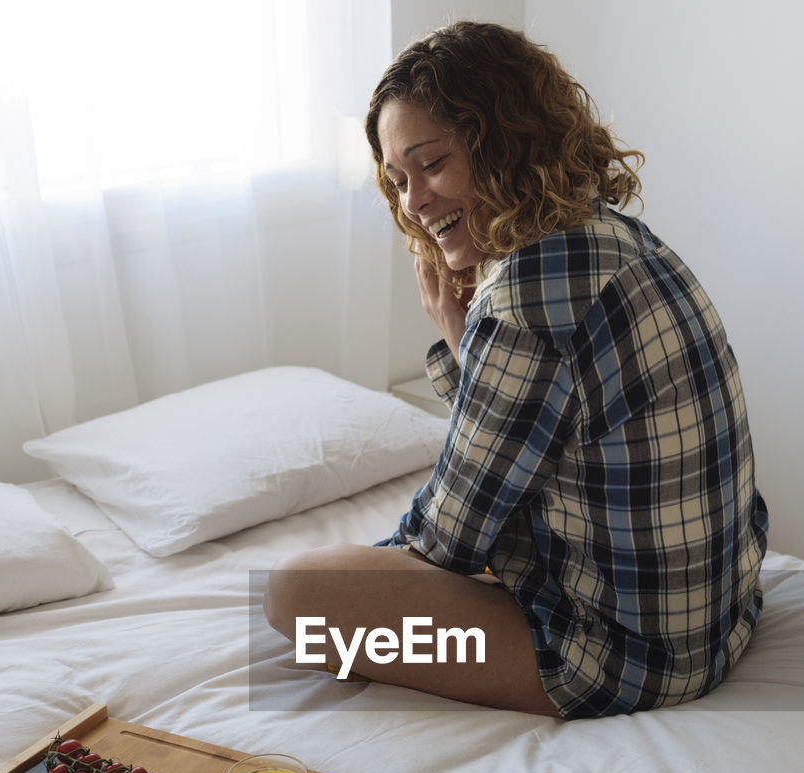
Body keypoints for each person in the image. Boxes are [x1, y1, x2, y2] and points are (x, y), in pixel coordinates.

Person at [263, 20, 769, 719]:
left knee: (298, 592)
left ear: (502, 143)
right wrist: (462, 334)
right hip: (725, 617)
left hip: (624, 660)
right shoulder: (607, 235)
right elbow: (539, 432)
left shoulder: (530, 293)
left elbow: (448, 539)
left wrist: (363, 585)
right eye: (397, 179)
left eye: (431, 164)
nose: (413, 202)